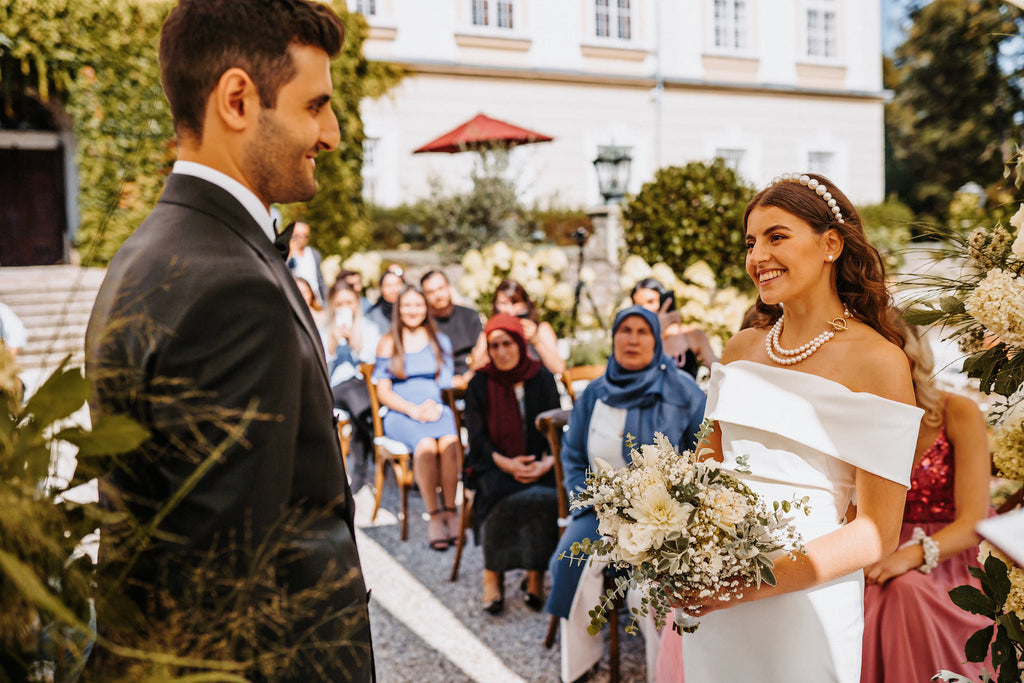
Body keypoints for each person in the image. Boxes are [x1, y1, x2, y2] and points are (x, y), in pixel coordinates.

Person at [83, 2, 373, 680]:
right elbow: (220, 602)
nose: (330, 134)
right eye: (316, 105)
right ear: (238, 99)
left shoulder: (153, 251)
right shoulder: (231, 290)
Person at [665, 173, 922, 683]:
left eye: (776, 236)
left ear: (830, 244)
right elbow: (706, 460)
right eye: (750, 242)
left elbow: (877, 533)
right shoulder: (741, 349)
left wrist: (746, 582)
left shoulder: (880, 362)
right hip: (714, 592)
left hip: (808, 600)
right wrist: (678, 540)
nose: (757, 255)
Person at [545, 305, 706, 683]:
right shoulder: (594, 394)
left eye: (642, 332)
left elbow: (704, 456)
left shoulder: (683, 392)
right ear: (613, 337)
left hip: (663, 520)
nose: (632, 339)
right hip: (599, 512)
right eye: (625, 330)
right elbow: (572, 456)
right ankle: (580, 668)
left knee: (647, 593)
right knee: (569, 564)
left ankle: (662, 673)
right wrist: (586, 497)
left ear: (656, 340)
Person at [860, 323, 993, 683]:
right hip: (877, 553)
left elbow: (973, 521)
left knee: (904, 588)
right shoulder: (860, 424)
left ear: (910, 358)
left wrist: (910, 556)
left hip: (954, 557)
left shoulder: (958, 412)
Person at [464, 313, 562, 615]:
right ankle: (492, 574)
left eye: (507, 343)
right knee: (495, 495)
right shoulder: (479, 383)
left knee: (548, 496)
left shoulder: (541, 377)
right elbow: (477, 438)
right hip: (494, 464)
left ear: (520, 343)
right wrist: (507, 464)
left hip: (540, 463)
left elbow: (555, 428)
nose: (502, 351)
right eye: (494, 346)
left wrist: (546, 463)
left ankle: (536, 573)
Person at [373, 285, 460, 550]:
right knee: (425, 446)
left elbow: (445, 382)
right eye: (408, 305)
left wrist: (432, 406)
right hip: (402, 412)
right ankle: (434, 515)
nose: (413, 311)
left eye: (418, 305)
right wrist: (412, 410)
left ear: (426, 308)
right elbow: (382, 390)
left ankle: (450, 509)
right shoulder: (389, 341)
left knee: (448, 442)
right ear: (399, 309)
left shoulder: (439, 340)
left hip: (435, 407)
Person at [324, 279, 381, 491]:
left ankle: (359, 468)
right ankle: (375, 436)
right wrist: (332, 344)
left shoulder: (370, 328)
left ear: (357, 303)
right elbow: (321, 371)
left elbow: (372, 367)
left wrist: (356, 345)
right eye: (340, 304)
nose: (345, 308)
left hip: (363, 387)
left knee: (360, 403)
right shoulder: (323, 329)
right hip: (335, 387)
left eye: (349, 302)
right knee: (358, 400)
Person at [471, 279, 565, 375]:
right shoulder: (490, 332)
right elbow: (476, 367)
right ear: (495, 305)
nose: (510, 310)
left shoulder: (540, 328)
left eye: (515, 303)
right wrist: (492, 343)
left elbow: (558, 368)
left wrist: (535, 339)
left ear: (525, 304)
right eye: (503, 303)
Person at [630, 278, 718, 377]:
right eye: (639, 306)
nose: (646, 308)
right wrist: (657, 331)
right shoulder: (635, 341)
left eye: (650, 302)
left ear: (665, 300)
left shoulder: (693, 335)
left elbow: (718, 371)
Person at [421, 269, 483, 389]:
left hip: (473, 376)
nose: (438, 296)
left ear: (449, 287)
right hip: (437, 382)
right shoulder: (423, 324)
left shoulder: (469, 316)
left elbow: (481, 351)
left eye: (440, 288)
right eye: (431, 292)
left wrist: (469, 375)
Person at [286, 221, 328, 305]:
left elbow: (320, 280)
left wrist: (326, 301)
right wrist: (290, 253)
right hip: (297, 300)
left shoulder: (314, 254)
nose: (301, 239)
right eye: (297, 236)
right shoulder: (287, 254)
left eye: (305, 236)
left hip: (316, 301)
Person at [366, 267, 405, 332]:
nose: (394, 289)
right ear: (381, 288)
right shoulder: (373, 316)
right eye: (389, 285)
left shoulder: (410, 310)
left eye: (397, 284)